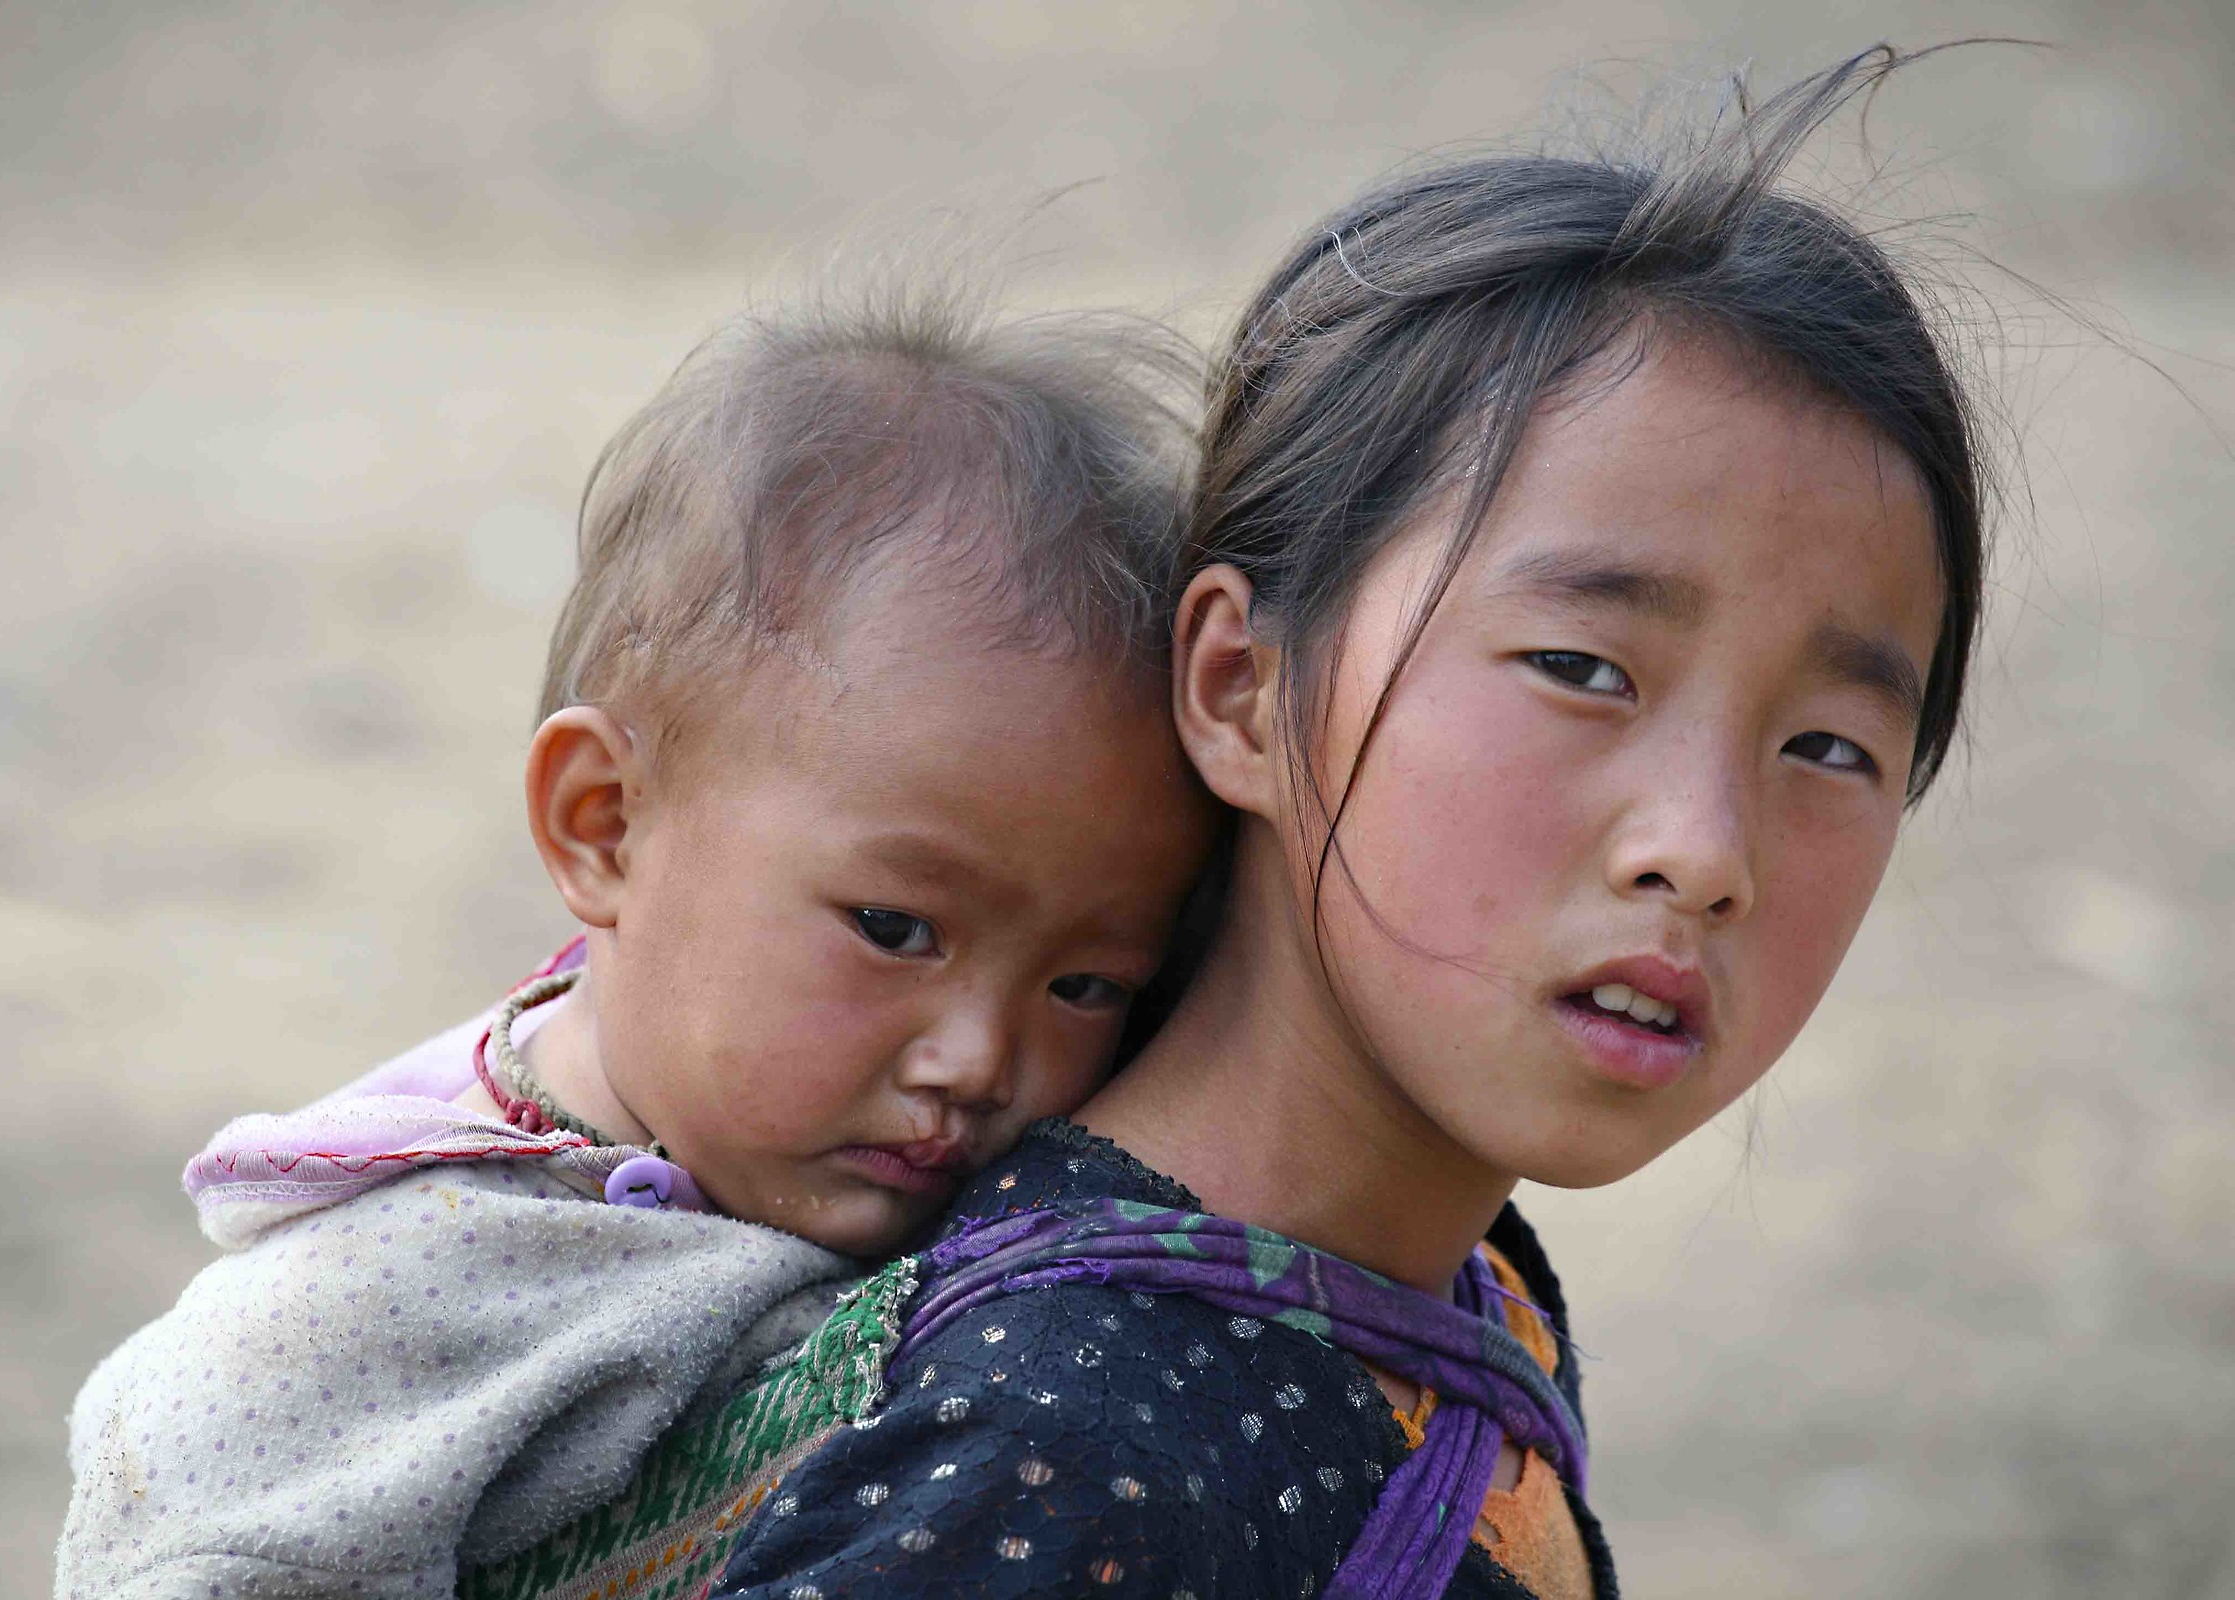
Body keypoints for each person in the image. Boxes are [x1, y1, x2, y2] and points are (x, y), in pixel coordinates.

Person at [464, 47, 1997, 1600]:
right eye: (1582, 669)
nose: (1705, 850)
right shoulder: (1061, 1454)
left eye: (1829, 745)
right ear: (1245, 685)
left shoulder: (1431, 1290)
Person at [55, 283, 1220, 1599]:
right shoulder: (383, 1311)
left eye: (1087, 983)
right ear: (605, 826)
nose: (979, 1056)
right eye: (897, 929)